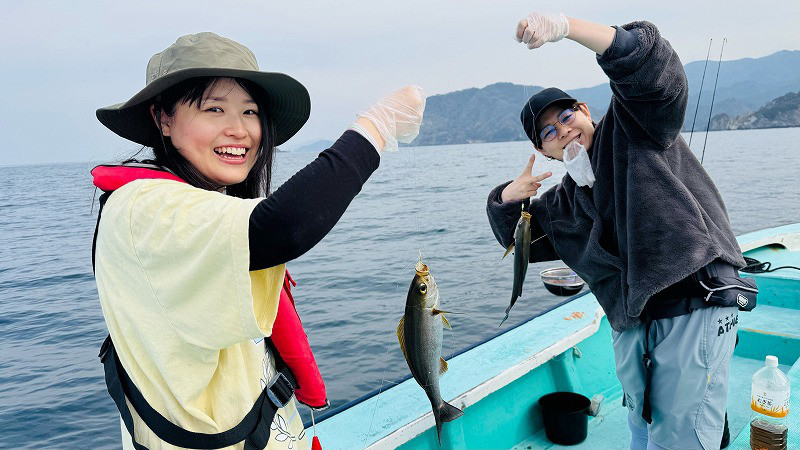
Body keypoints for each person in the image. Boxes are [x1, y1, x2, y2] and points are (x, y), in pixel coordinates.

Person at [91, 32, 425, 449]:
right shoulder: (143, 207)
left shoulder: (206, 204)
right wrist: (377, 126)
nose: (240, 130)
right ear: (163, 119)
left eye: (250, 112)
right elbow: (285, 225)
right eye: (214, 108)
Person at [487, 13, 757, 450]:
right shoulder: (564, 203)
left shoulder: (635, 128)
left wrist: (565, 27)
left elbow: (652, 69)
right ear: (544, 151)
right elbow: (520, 242)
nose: (564, 129)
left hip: (693, 299)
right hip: (633, 322)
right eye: (549, 132)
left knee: (679, 437)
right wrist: (507, 198)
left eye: (568, 114)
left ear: (586, 110)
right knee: (640, 427)